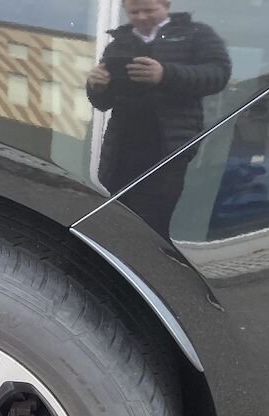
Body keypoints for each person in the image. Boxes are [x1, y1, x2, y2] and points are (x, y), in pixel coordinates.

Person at [87, 0, 230, 239]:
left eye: (149, 10)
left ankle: (148, 260)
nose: (142, 16)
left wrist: (165, 74)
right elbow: (103, 103)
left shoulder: (196, 34)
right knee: (115, 216)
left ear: (166, 5)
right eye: (134, 12)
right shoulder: (119, 42)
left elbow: (218, 75)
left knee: (153, 221)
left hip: (167, 149)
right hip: (121, 149)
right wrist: (96, 86)